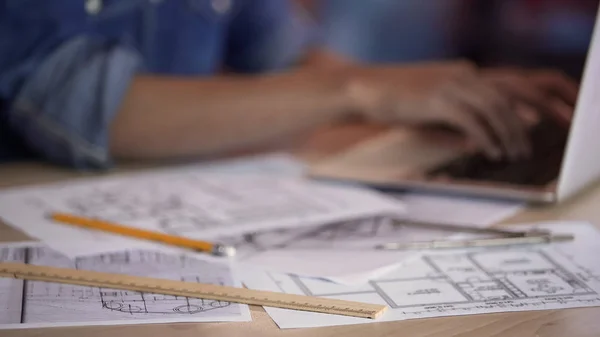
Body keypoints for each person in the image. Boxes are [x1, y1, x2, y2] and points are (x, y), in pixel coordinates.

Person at [0, 0, 578, 170]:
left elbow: (286, 58)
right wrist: (356, 89)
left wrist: (450, 93)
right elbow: (73, 100)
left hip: (159, 207)